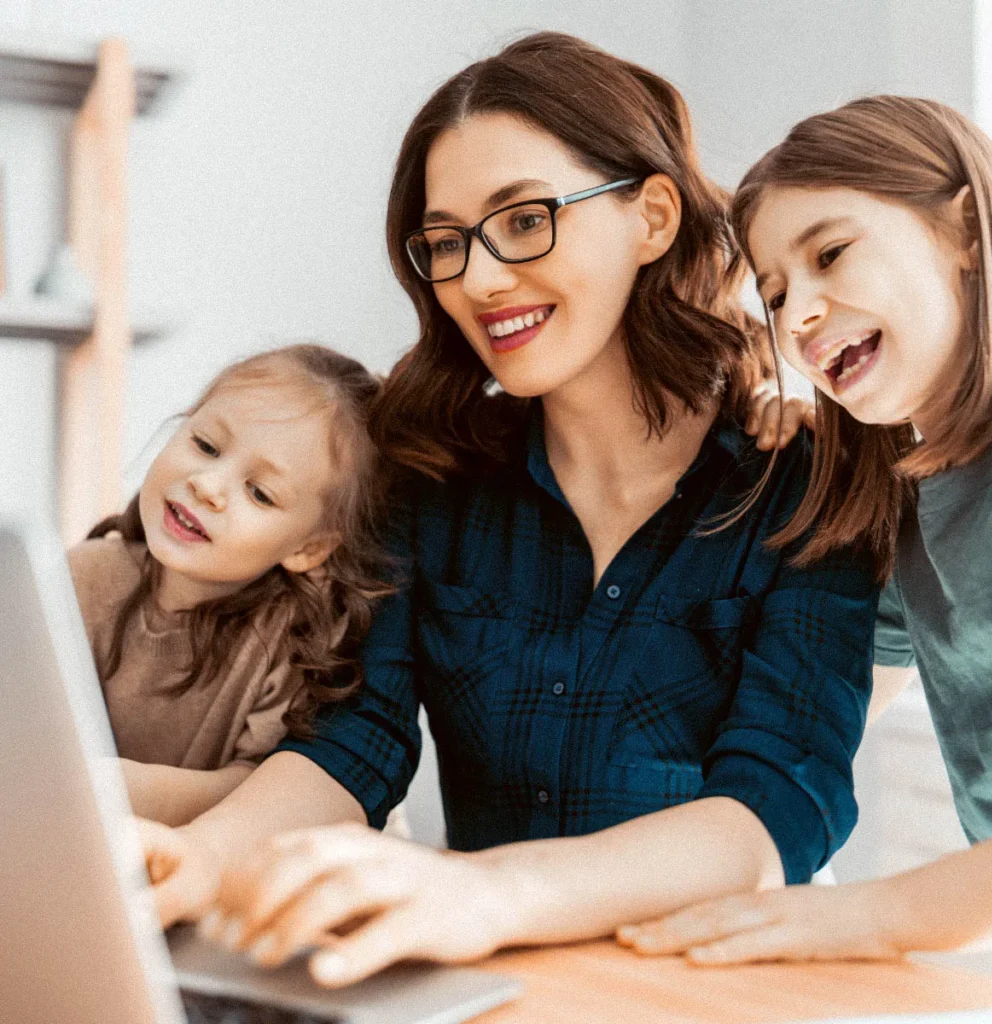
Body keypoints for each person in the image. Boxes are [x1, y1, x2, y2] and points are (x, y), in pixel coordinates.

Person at [139, 32, 881, 987]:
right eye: (446, 242)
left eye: (526, 219)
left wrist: (490, 892)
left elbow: (780, 804)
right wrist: (202, 858)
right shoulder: (433, 479)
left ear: (653, 217)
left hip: (718, 990)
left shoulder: (804, 482)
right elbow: (356, 743)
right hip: (500, 988)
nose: (480, 280)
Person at [617, 95, 992, 965]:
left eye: (830, 253)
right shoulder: (905, 509)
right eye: (774, 294)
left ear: (965, 229)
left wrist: (869, 918)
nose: (797, 315)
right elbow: (821, 710)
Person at [70, 343, 387, 826]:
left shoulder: (294, 641)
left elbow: (261, 797)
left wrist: (112, 788)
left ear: (309, 549)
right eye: (205, 446)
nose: (208, 485)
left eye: (259, 493)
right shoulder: (80, 577)